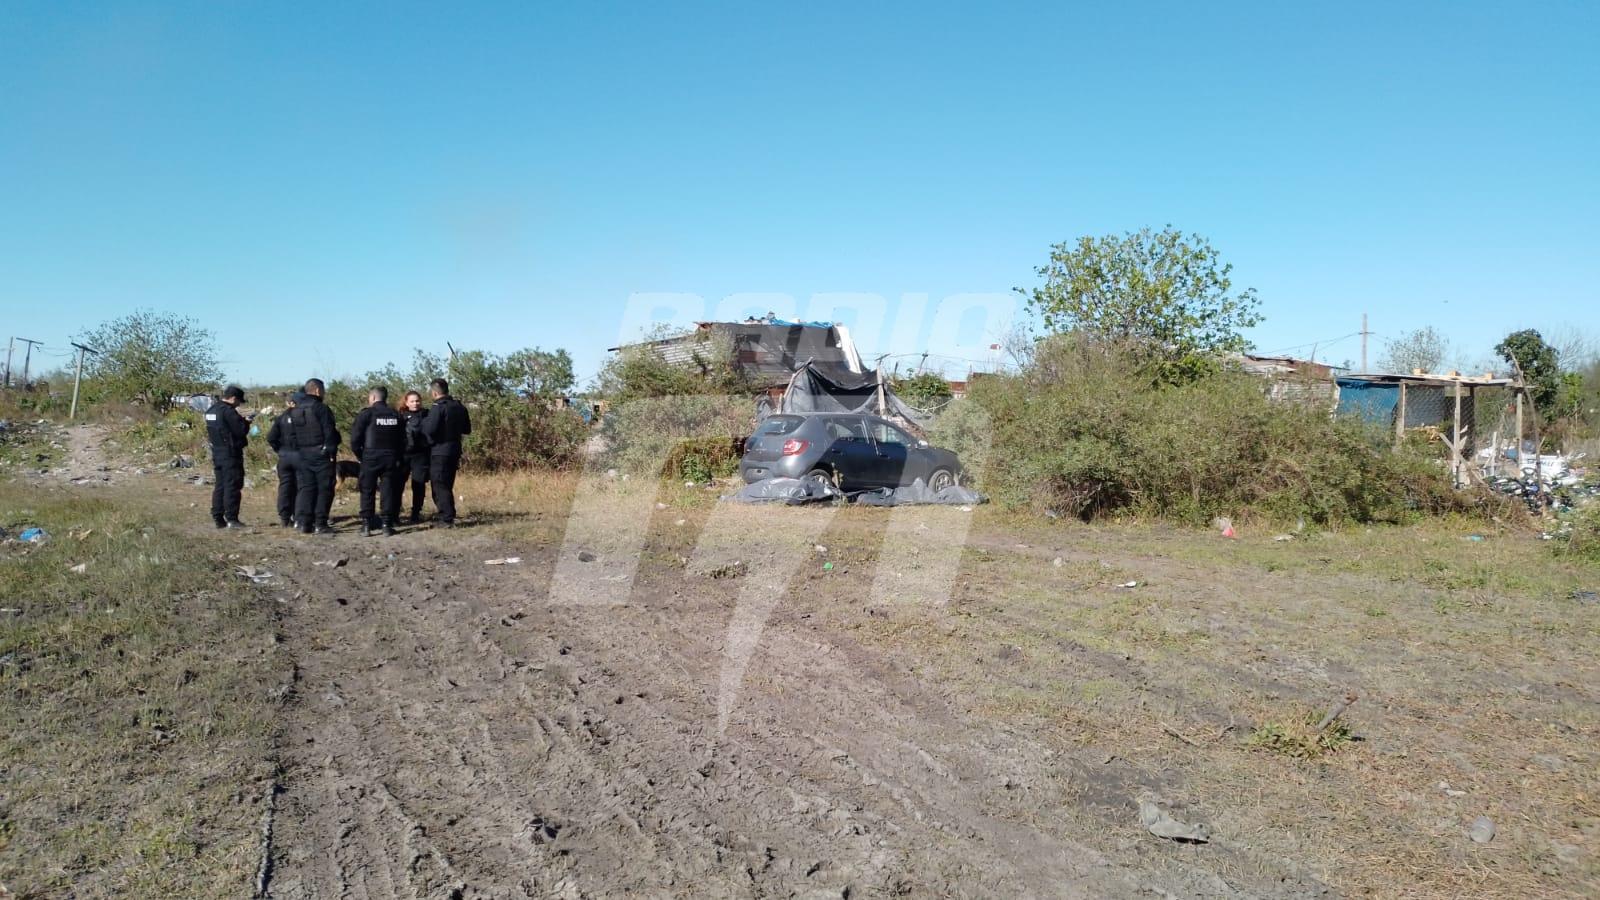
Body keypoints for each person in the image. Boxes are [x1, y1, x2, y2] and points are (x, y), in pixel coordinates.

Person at [350, 386, 407, 536]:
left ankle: (366, 525)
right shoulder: (395, 415)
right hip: (390, 457)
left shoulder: (366, 414)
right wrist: (397, 456)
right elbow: (403, 440)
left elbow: (355, 440)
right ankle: (386, 525)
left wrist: (361, 456)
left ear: (373, 398)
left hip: (370, 456)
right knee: (387, 490)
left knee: (367, 490)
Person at [289, 378, 341, 534]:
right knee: (325, 489)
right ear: (318, 390)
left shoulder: (296, 410)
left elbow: (292, 435)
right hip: (321, 454)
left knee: (307, 489)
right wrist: (331, 451)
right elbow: (329, 432)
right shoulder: (321, 408)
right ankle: (320, 524)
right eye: (323, 390)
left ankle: (305, 523)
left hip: (303, 455)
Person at [420, 378, 471, 527]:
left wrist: (424, 424)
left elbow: (430, 429)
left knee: (439, 484)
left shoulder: (438, 407)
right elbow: (467, 429)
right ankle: (446, 515)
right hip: (455, 450)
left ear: (434, 393)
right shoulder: (459, 407)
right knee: (447, 483)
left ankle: (446, 518)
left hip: (440, 451)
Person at [205, 385, 251, 528]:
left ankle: (218, 517)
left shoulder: (211, 410)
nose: (239, 405)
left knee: (220, 485)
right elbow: (240, 430)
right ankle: (232, 518)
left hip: (217, 452)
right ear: (233, 398)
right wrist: (246, 422)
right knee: (232, 485)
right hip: (230, 453)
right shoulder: (228, 411)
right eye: (239, 401)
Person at [265, 393, 303, 527]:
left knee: (285, 487)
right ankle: (299, 517)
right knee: (301, 487)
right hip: (300, 456)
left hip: (285, 457)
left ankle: (284, 517)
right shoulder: (304, 417)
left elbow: (271, 437)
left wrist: (280, 450)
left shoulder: (280, 418)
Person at [398, 389, 430, 523]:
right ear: (406, 402)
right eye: (412, 401)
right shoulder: (400, 416)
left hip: (420, 454)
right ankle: (395, 512)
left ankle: (416, 512)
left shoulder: (427, 414)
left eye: (417, 401)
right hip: (404, 454)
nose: (415, 403)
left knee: (418, 484)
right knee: (398, 483)